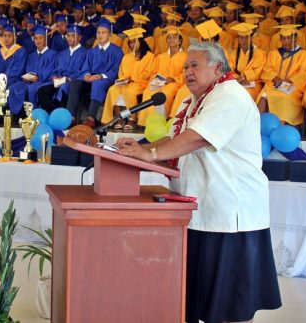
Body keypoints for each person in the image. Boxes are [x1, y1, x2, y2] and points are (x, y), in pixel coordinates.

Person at [115, 41, 281, 323]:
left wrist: (150, 154)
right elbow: (175, 137)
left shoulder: (230, 97)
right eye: (185, 66)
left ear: (218, 68)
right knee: (197, 301)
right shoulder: (192, 99)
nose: (188, 72)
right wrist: (140, 149)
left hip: (230, 214)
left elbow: (197, 138)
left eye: (195, 65)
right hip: (197, 210)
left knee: (230, 306)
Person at [66, 18, 123, 127]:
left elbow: (116, 70)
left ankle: (90, 117)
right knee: (76, 82)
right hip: (91, 79)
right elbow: (86, 67)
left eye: (103, 33)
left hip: (107, 80)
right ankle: (71, 117)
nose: (100, 35)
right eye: (98, 32)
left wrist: (100, 76)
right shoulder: (92, 51)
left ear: (109, 35)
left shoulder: (117, 51)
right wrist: (87, 75)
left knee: (98, 83)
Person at [101, 28, 155, 130]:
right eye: (130, 42)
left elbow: (149, 72)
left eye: (134, 42)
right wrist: (123, 79)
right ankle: (119, 118)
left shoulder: (149, 56)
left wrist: (132, 79)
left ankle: (132, 119)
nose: (132, 45)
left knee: (129, 91)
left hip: (141, 83)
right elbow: (121, 72)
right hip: (126, 82)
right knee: (113, 89)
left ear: (141, 42)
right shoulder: (126, 57)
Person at [259, 25, 306, 125]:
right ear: (280, 40)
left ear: (295, 38)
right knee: (263, 96)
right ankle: (258, 125)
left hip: (293, 85)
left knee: (284, 97)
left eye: (289, 38)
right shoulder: (273, 53)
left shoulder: (304, 54)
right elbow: (267, 69)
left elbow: (304, 73)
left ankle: (280, 126)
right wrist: (274, 77)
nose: (286, 41)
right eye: (284, 38)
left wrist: (289, 80)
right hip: (274, 84)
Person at [138, 26, 187, 127]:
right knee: (148, 92)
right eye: (169, 37)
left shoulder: (186, 56)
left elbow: (186, 73)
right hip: (159, 83)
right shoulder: (160, 57)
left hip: (175, 83)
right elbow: (153, 72)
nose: (172, 40)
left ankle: (163, 120)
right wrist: (156, 79)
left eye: (175, 37)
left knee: (166, 93)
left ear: (180, 40)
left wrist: (173, 79)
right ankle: (148, 122)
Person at [36, 24, 87, 114]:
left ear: (80, 37)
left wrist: (68, 78)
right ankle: (50, 114)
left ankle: (63, 117)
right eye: (68, 36)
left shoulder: (85, 53)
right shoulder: (62, 53)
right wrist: (54, 77)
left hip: (71, 81)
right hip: (58, 81)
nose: (70, 38)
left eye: (73, 36)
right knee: (42, 90)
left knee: (64, 89)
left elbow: (83, 70)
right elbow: (55, 69)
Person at [8, 26, 57, 113]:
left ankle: (33, 114)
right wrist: (27, 77)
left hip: (44, 81)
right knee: (13, 88)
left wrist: (38, 78)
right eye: (36, 38)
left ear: (46, 39)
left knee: (32, 89)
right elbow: (28, 70)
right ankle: (14, 114)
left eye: (41, 38)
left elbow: (51, 70)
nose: (38, 41)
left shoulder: (53, 54)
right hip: (30, 82)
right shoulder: (31, 55)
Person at [226, 23, 267, 101]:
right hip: (237, 82)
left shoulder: (259, 53)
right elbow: (230, 69)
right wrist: (237, 78)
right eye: (241, 38)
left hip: (254, 84)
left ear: (251, 38)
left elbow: (258, 70)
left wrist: (244, 77)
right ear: (238, 39)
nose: (244, 41)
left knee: (244, 94)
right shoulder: (234, 54)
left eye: (246, 38)